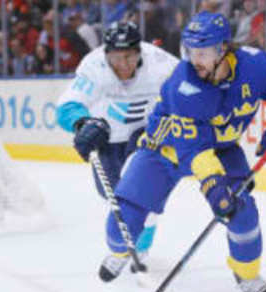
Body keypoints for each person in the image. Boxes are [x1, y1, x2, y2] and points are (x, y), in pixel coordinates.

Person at [99, 11, 266, 292]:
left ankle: (247, 276)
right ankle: (121, 251)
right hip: (165, 150)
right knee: (122, 224)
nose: (195, 60)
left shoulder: (256, 65)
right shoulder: (182, 85)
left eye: (204, 52)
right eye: (190, 51)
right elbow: (193, 149)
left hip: (221, 149)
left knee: (242, 212)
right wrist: (213, 187)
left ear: (223, 49)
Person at [56, 22, 179, 259]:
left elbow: (188, 89)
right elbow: (67, 105)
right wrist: (82, 123)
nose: (123, 65)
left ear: (139, 52)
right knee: (112, 196)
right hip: (107, 136)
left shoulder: (160, 63)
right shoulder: (94, 65)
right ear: (106, 54)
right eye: (116, 58)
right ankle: (129, 240)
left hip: (144, 134)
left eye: (130, 57)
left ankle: (140, 247)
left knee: (142, 192)